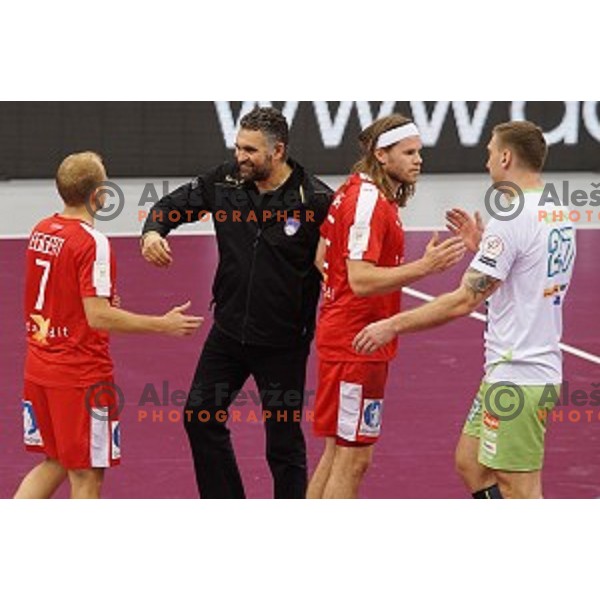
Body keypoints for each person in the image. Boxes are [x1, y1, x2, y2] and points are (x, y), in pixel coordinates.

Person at [353, 121, 576, 499]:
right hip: (513, 368)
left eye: (490, 151)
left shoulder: (512, 216)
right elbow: (530, 269)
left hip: (519, 374)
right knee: (471, 462)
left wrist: (392, 324)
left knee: (521, 489)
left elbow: (463, 300)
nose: (487, 159)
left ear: (506, 157)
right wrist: (484, 247)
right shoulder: (554, 206)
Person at [141, 107, 334, 499]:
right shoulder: (224, 181)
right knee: (199, 418)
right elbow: (167, 208)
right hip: (227, 334)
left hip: (283, 344)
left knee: (282, 444)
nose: (240, 157)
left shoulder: (315, 200)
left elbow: (340, 266)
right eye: (237, 147)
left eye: (250, 150)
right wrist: (153, 233)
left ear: (277, 151)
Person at [15, 152, 204, 500]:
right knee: (87, 475)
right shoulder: (91, 243)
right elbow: (98, 316)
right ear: (98, 195)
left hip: (40, 368)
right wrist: (162, 324)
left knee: (54, 460)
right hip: (79, 376)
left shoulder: (41, 230)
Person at [307, 114, 467, 499]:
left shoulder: (354, 191)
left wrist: (343, 299)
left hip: (347, 338)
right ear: (381, 154)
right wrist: (424, 267)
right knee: (354, 460)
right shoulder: (370, 203)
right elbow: (361, 279)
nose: (418, 160)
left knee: (336, 453)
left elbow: (322, 257)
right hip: (357, 346)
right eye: (408, 152)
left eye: (419, 152)